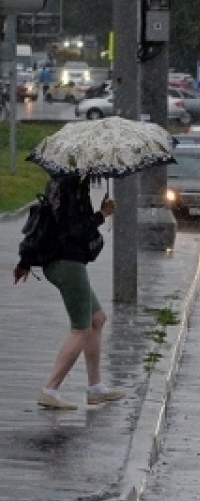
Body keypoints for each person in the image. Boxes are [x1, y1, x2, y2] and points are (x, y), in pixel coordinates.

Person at [12, 174, 126, 411]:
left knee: (97, 319)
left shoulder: (63, 183)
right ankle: (50, 389)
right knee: (81, 328)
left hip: (62, 261)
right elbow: (74, 230)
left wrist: (25, 262)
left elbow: (47, 222)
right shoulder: (70, 186)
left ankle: (96, 388)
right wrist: (101, 215)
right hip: (67, 262)